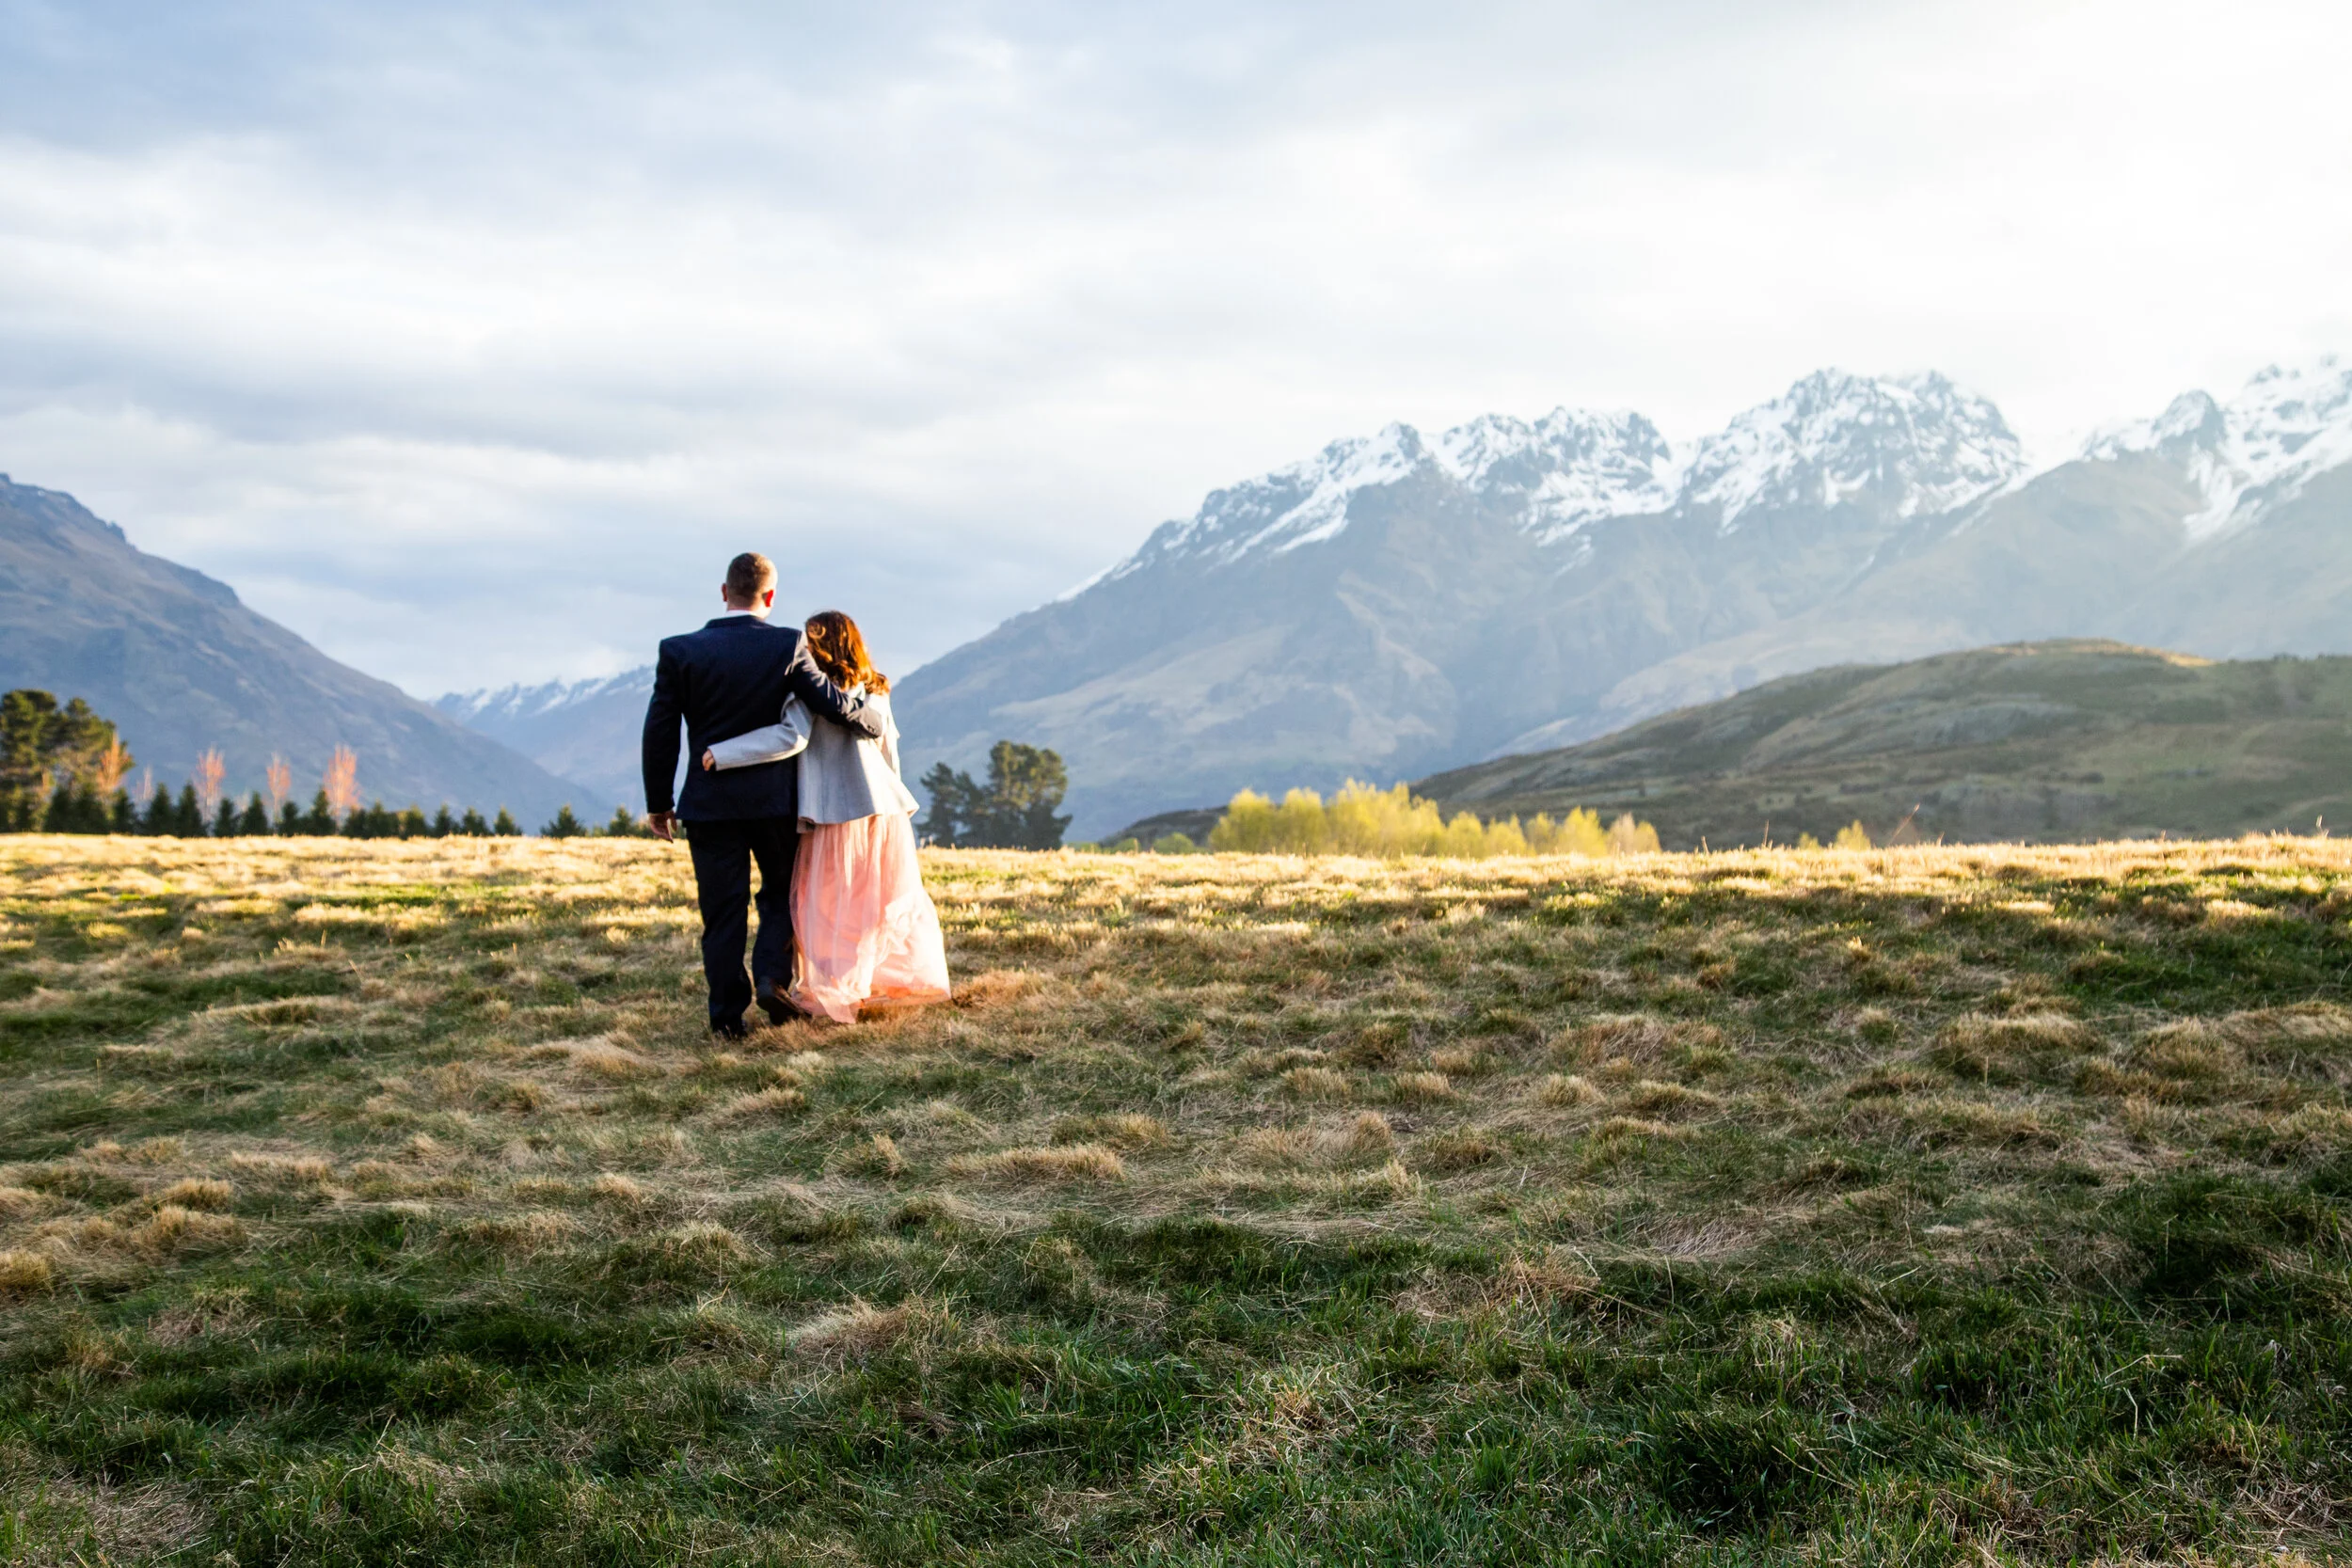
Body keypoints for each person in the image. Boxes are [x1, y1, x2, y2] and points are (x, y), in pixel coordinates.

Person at [642, 554, 884, 1037]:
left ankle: (726, 1018)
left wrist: (659, 802)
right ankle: (772, 980)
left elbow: (661, 731)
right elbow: (829, 704)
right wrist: (872, 720)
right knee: (778, 896)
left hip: (709, 807)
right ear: (769, 597)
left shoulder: (679, 651)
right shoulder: (787, 644)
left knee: (722, 911)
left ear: (723, 591)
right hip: (775, 804)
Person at [702, 610, 949, 1022]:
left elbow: (789, 738)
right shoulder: (876, 686)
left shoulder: (804, 692)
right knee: (876, 901)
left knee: (818, 904)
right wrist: (899, 802)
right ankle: (863, 981)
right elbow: (889, 750)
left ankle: (828, 986)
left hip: (828, 812)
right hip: (881, 810)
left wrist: (724, 752)